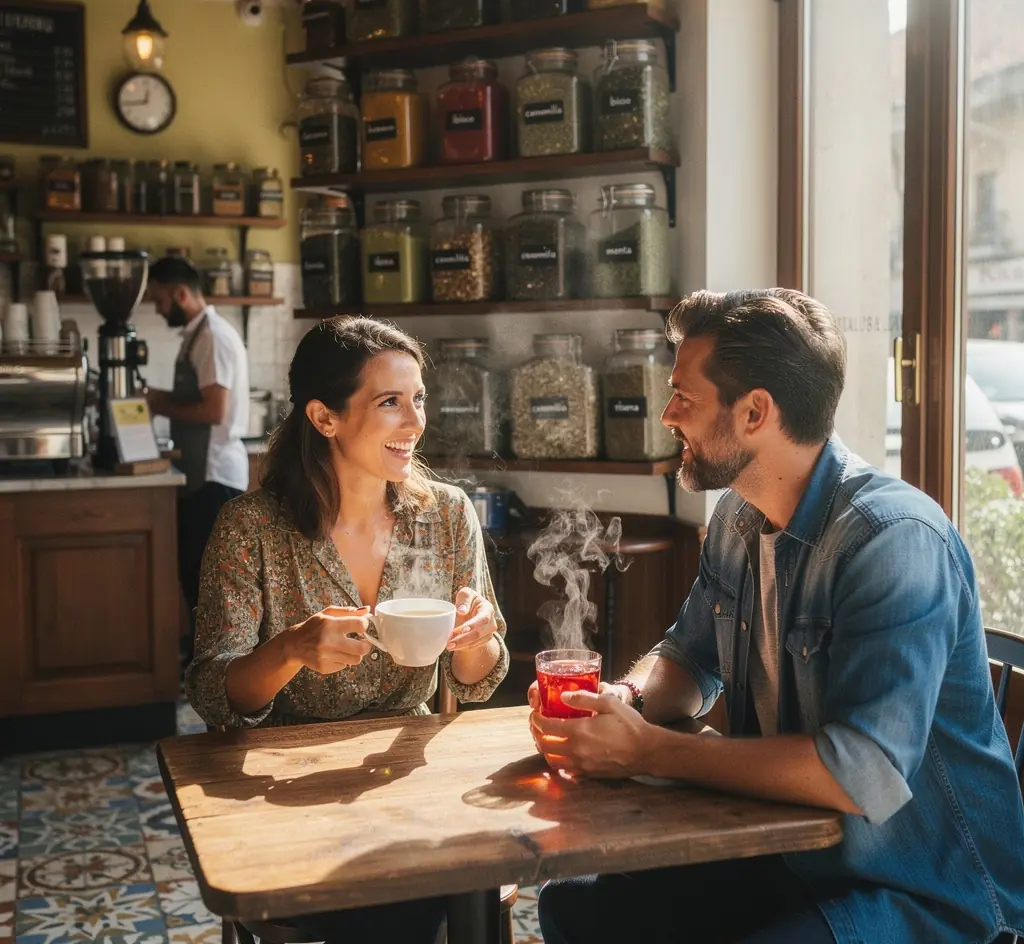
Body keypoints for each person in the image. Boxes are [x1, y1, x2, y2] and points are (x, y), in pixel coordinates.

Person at [532, 289, 1024, 944]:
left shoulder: (893, 541)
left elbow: (860, 769)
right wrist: (618, 700)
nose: (667, 413)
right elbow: (686, 658)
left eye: (685, 395)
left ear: (755, 412)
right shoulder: (741, 517)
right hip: (798, 855)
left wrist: (650, 750)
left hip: (924, 889)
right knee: (577, 905)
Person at [185, 316, 509, 944]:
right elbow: (212, 690)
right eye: (390, 403)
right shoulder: (249, 528)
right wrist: (289, 650)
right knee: (411, 907)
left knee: (469, 876)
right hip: (284, 793)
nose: (415, 423)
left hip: (411, 779)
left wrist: (477, 639)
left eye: (418, 399)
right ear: (324, 417)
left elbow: (478, 678)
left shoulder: (445, 515)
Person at [146, 255, 250, 665]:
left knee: (209, 581)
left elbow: (214, 411)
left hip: (214, 475)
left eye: (159, 299)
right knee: (194, 575)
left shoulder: (214, 337)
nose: (157, 307)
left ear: (181, 294)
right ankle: (203, 669)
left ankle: (213, 670)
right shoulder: (197, 334)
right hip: (200, 472)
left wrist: (158, 403)